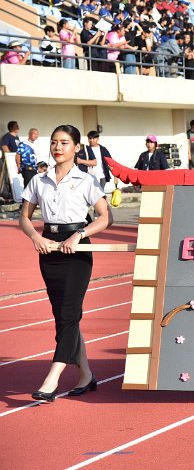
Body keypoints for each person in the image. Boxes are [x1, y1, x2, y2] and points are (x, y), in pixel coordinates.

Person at [19, 124, 112, 402]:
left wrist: (79, 234)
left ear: (76, 147)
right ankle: (86, 375)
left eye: (64, 143)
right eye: (54, 142)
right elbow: (24, 217)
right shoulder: (39, 180)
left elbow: (106, 217)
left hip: (77, 250)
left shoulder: (86, 180)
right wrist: (35, 236)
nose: (58, 147)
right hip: (49, 250)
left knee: (69, 314)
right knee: (63, 316)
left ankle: (52, 379)